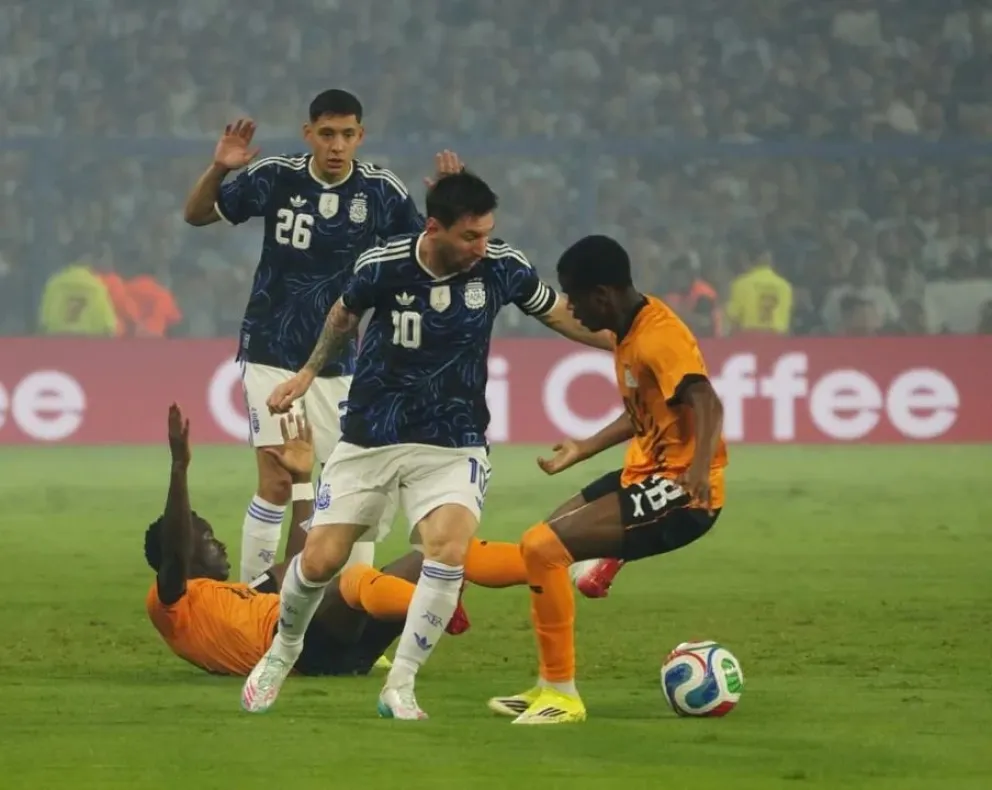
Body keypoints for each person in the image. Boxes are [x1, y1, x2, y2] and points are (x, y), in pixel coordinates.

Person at [241, 171, 613, 720]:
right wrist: (307, 373)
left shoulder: (502, 267)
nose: (480, 246)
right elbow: (343, 317)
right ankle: (282, 651)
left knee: (448, 549)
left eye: (487, 233)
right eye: (470, 237)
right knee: (320, 561)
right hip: (372, 436)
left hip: (453, 442)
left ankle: (401, 684)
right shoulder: (382, 265)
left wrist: (624, 339)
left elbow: (557, 312)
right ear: (435, 227)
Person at [182, 88, 462, 585]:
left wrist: (449, 204)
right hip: (271, 347)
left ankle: (352, 606)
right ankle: (252, 604)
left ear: (361, 136)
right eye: (327, 134)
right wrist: (220, 168)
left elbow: (430, 255)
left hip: (338, 360)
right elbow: (196, 213)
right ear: (308, 133)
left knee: (348, 491)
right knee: (276, 479)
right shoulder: (276, 177)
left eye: (347, 135)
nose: (337, 145)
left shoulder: (380, 191)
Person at [489, 235, 728, 725]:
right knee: (541, 545)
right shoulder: (629, 330)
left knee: (542, 546)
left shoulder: (658, 337)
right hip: (643, 473)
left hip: (683, 492)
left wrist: (699, 470)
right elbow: (642, 409)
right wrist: (582, 448)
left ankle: (563, 694)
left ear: (602, 294)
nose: (570, 308)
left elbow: (705, 399)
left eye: (573, 296)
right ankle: (545, 686)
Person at [146, 406, 531, 678]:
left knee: (440, 554)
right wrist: (179, 469)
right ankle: (433, 606)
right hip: (299, 651)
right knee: (353, 581)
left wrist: (301, 480)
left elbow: (301, 561)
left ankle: (548, 559)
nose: (220, 545)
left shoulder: (237, 594)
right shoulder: (172, 604)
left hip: (345, 656)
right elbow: (176, 552)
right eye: (207, 539)